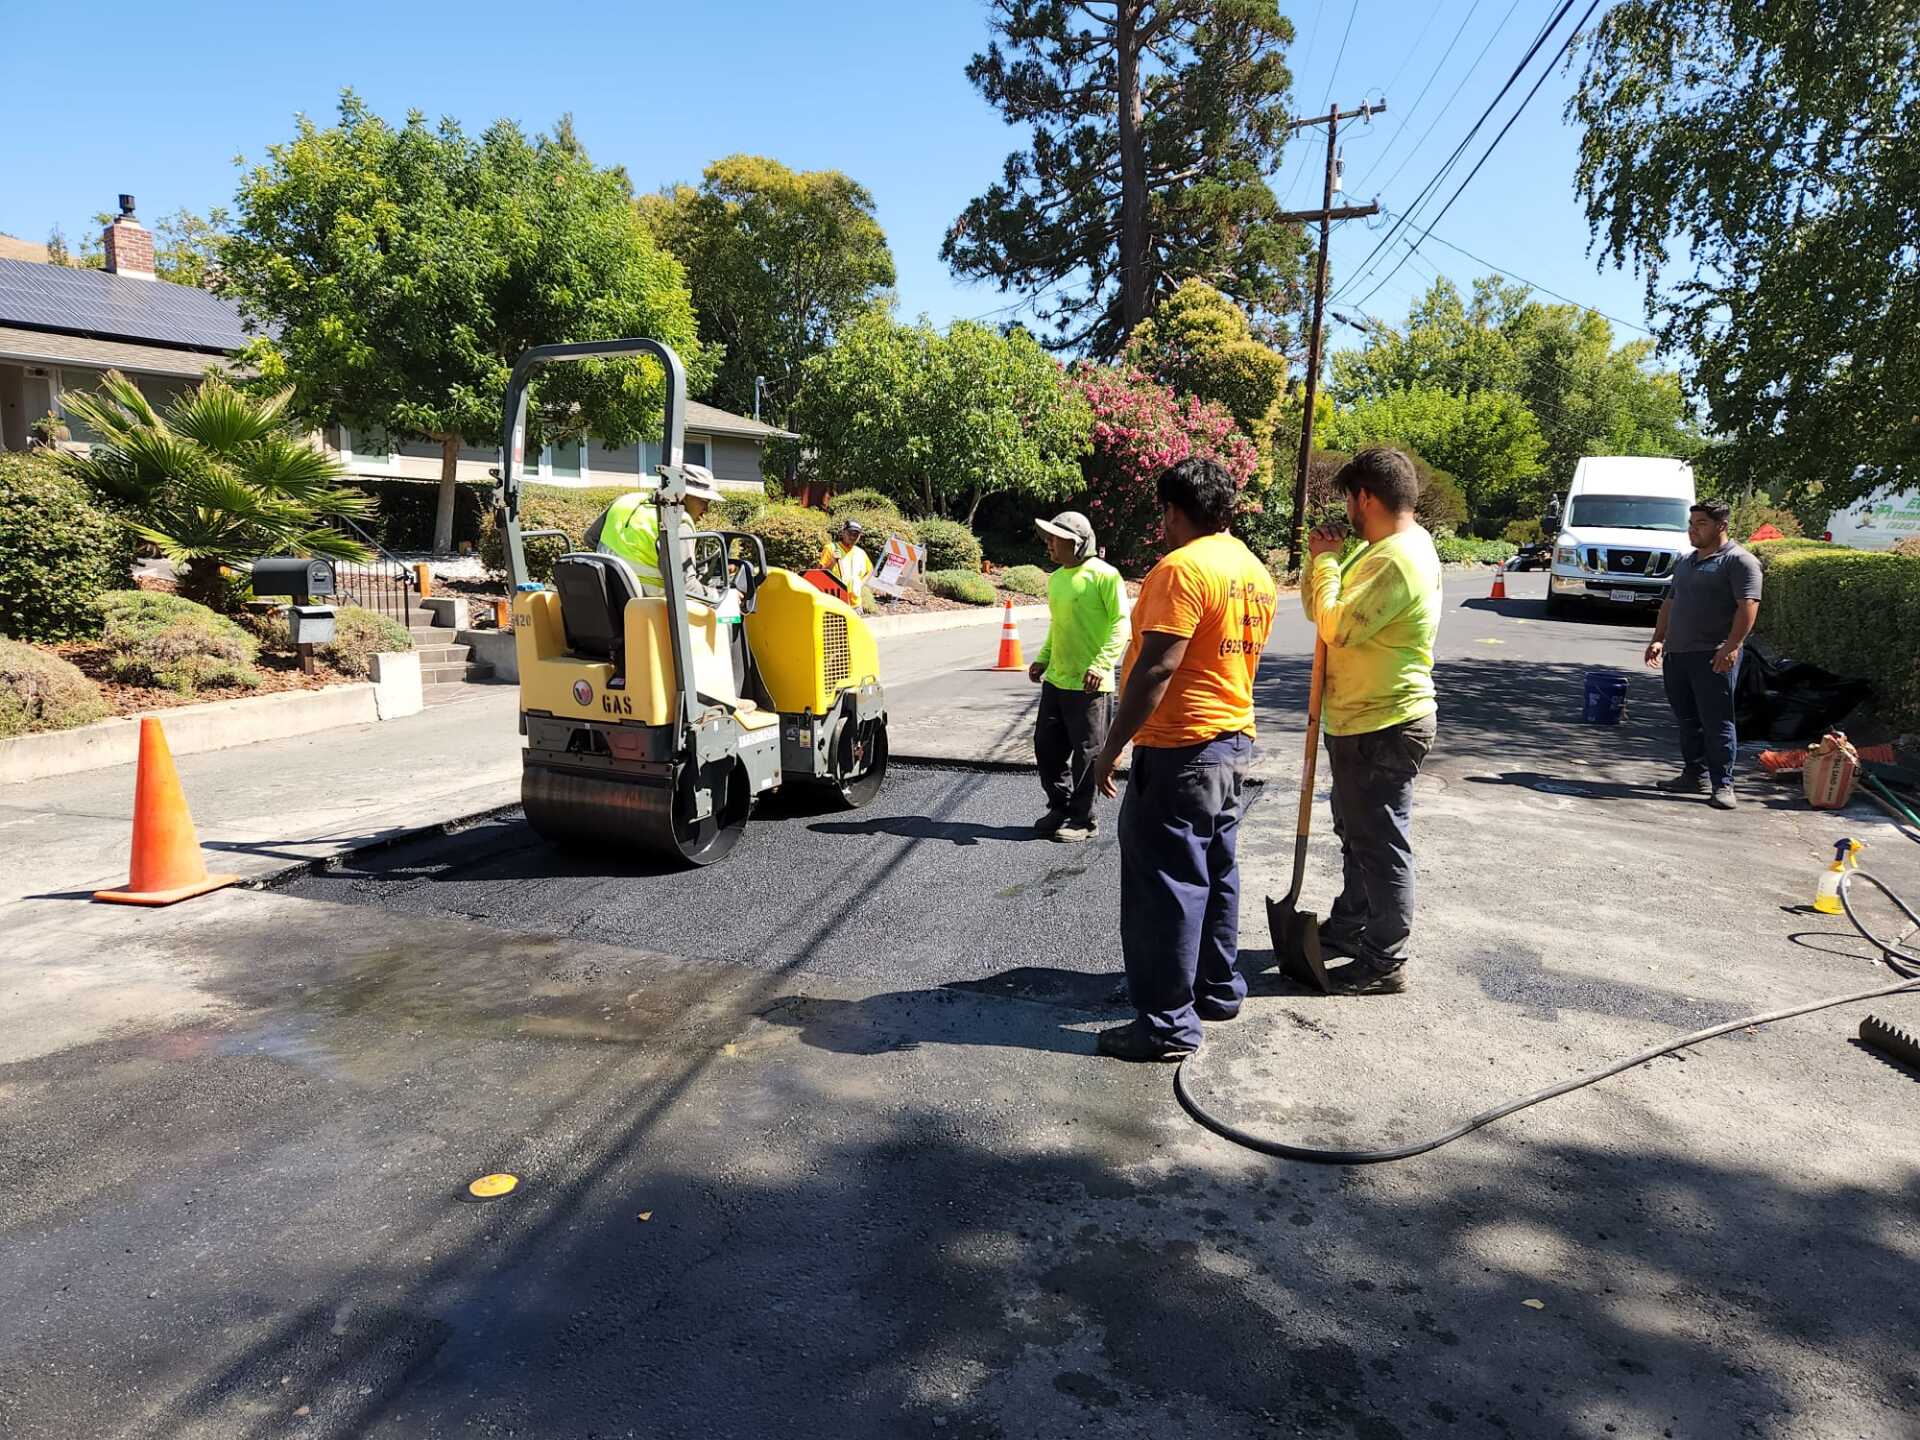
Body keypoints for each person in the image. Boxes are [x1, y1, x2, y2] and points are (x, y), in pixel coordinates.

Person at [1088, 458, 1278, 1061]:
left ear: (1173, 511)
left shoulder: (1181, 569)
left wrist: (1111, 745)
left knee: (1163, 884)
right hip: (1230, 742)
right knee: (1215, 868)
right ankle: (1215, 988)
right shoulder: (1253, 570)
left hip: (1180, 748)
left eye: (1163, 513)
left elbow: (1158, 666)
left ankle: (1167, 1025)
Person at [1303, 447, 1444, 995]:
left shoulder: (1394, 559)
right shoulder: (1381, 550)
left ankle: (1385, 958)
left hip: (1383, 722)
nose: (1347, 510)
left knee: (1381, 841)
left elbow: (1335, 625)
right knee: (1358, 832)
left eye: (1348, 498)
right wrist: (1329, 568)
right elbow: (1322, 612)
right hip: (1361, 719)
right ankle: (1352, 923)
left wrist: (1323, 561)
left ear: (1365, 496)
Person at [1645, 499, 1762, 809]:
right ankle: (1693, 775)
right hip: (1678, 654)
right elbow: (1671, 602)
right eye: (1691, 524)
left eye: (1701, 524)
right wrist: (1659, 639)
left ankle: (1723, 784)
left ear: (1721, 526)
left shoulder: (1740, 562)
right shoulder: (1686, 561)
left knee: (1717, 721)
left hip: (1712, 656)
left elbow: (1748, 606)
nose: (1692, 530)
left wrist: (1732, 646)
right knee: (1687, 720)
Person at [1027, 511, 1129, 844]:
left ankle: (1083, 819)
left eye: (1055, 539)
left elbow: (1120, 624)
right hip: (1057, 680)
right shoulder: (1056, 579)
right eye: (1049, 539)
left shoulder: (1105, 575)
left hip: (1091, 686)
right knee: (1046, 747)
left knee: (1088, 753)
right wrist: (1043, 659)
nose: (1049, 545)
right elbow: (1058, 628)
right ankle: (1059, 807)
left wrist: (1101, 665)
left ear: (1077, 542)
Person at [586, 464, 721, 596]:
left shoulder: (625, 501)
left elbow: (590, 539)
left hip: (607, 599)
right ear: (683, 495)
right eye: (704, 501)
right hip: (650, 609)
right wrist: (719, 595)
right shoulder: (678, 522)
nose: (706, 510)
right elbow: (686, 588)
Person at [820, 519, 875, 606]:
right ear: (843, 533)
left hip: (855, 603)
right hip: (834, 602)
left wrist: (861, 584)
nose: (852, 537)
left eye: (856, 534)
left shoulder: (860, 553)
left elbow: (871, 570)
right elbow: (820, 574)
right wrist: (833, 561)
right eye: (850, 533)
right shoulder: (830, 548)